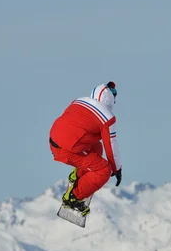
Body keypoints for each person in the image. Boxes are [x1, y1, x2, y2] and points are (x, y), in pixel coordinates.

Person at [48, 81, 122, 215]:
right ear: (110, 100)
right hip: (67, 150)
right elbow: (111, 146)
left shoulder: (79, 101)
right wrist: (116, 169)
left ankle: (78, 175)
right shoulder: (107, 118)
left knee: (96, 148)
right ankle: (72, 198)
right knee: (104, 169)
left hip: (54, 140)